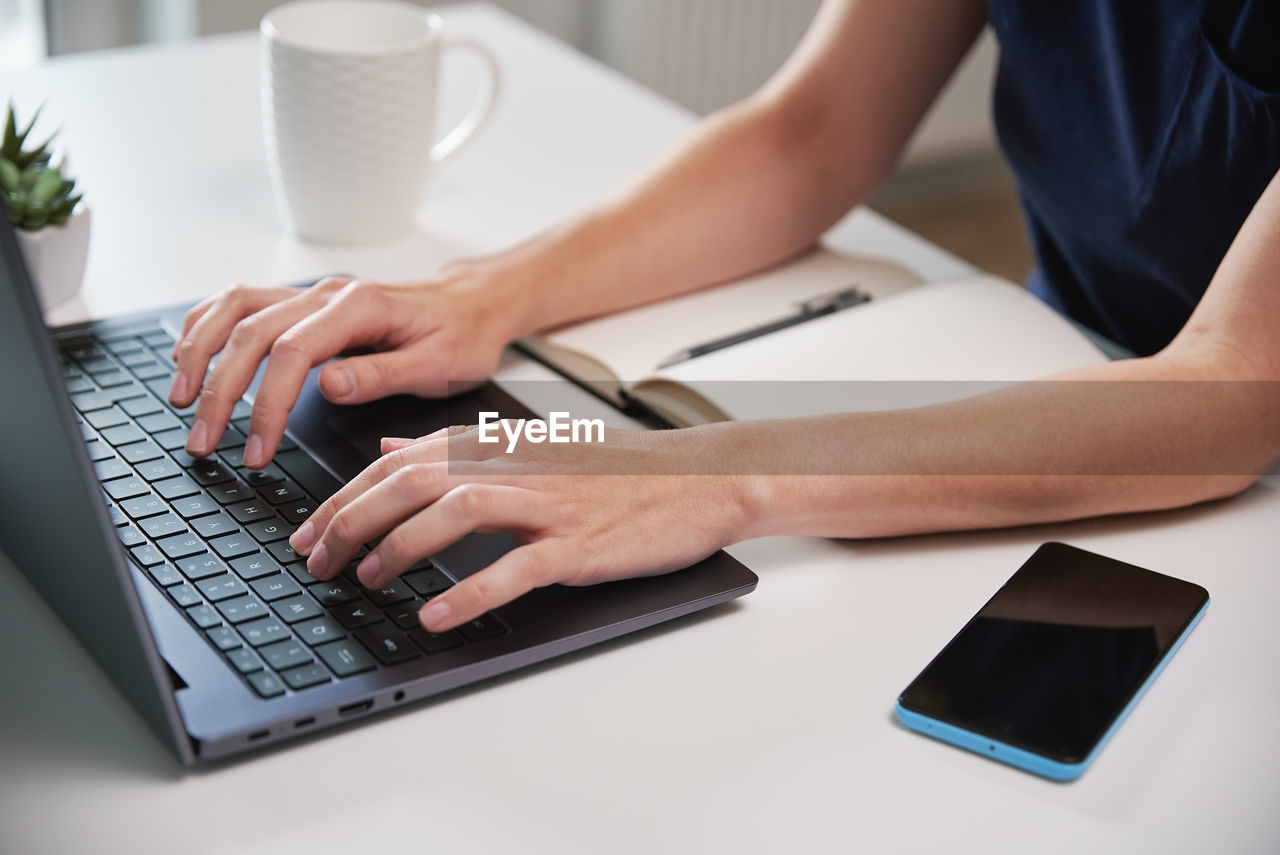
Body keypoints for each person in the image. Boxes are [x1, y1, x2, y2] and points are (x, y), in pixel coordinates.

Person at [167, 0, 1280, 634]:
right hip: (1068, 379)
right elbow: (810, 134)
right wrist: (478, 293)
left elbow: (1236, 388)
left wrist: (709, 474)